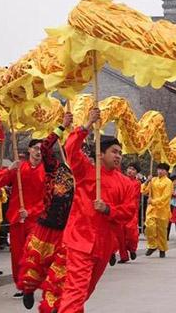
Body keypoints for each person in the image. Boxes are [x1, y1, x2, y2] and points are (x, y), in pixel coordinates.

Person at [58, 107, 137, 312]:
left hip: (103, 246)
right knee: (76, 291)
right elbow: (71, 149)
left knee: (84, 291)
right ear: (100, 154)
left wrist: (109, 210)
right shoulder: (85, 171)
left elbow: (129, 211)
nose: (118, 156)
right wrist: (87, 125)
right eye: (114, 152)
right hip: (80, 240)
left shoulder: (126, 183)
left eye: (120, 153)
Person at [17, 113, 74, 311]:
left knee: (59, 273)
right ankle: (28, 289)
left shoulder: (84, 175)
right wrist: (63, 126)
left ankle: (51, 307)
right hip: (46, 225)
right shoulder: (54, 167)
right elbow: (45, 147)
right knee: (35, 264)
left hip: (65, 231)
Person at [0, 136, 46, 298]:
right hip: (17, 218)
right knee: (17, 254)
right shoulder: (18, 167)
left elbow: (47, 199)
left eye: (42, 149)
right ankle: (21, 284)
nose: (38, 152)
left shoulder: (47, 172)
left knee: (33, 252)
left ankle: (33, 282)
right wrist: (9, 170)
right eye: (35, 148)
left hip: (36, 219)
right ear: (29, 150)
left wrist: (31, 211)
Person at [142, 162, 173, 258]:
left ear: (166, 172)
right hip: (152, 209)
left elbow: (165, 197)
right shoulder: (153, 180)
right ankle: (152, 245)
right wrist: (147, 181)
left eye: (162, 170)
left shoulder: (168, 182)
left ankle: (162, 249)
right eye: (159, 169)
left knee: (161, 231)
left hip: (162, 210)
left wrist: (153, 201)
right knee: (149, 226)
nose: (160, 171)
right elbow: (143, 191)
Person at [116, 162, 141, 263]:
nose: (130, 171)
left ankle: (132, 248)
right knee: (121, 233)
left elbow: (133, 195)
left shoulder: (137, 183)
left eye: (133, 170)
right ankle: (124, 256)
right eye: (129, 169)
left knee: (131, 231)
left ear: (136, 173)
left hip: (132, 210)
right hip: (121, 209)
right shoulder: (122, 180)